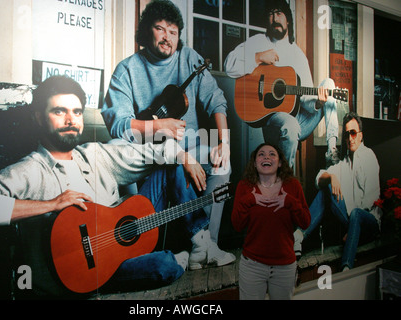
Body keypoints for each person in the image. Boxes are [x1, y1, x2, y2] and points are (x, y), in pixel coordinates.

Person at [0, 75, 218, 298]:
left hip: (123, 240)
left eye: (77, 111)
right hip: (91, 270)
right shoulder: (31, 169)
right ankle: (179, 259)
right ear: (39, 117)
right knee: (165, 265)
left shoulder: (93, 154)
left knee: (170, 163)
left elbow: (154, 152)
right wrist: (51, 204)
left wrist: (183, 156)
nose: (71, 119)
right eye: (59, 111)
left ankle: (199, 243)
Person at [101, 0, 235, 269]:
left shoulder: (189, 58)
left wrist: (224, 142)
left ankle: (208, 244)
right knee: (159, 158)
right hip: (150, 149)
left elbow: (216, 100)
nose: (167, 37)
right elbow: (118, 124)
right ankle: (189, 245)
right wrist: (158, 127)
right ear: (146, 32)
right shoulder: (127, 69)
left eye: (173, 32)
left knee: (223, 162)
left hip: (193, 144)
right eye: (160, 29)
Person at [224, 0, 339, 168]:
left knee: (328, 83)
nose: (275, 18)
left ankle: (332, 151)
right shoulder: (257, 42)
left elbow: (306, 99)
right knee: (290, 125)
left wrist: (317, 102)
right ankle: (284, 181)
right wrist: (258, 57)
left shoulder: (297, 54)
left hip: (300, 120)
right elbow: (229, 65)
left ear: (288, 20)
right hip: (274, 119)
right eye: (270, 14)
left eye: (279, 13)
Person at [294, 112, 381, 271]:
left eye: (353, 133)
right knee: (326, 187)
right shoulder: (345, 162)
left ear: (360, 136)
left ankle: (346, 266)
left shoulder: (369, 157)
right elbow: (318, 179)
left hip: (369, 222)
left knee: (356, 213)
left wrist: (354, 231)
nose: (350, 138)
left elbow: (371, 200)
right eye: (347, 134)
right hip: (351, 222)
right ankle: (298, 236)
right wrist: (331, 176)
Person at [231, 143, 310, 300]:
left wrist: (289, 201)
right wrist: (250, 199)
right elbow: (237, 225)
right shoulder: (245, 187)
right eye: (261, 154)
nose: (266, 156)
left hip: (285, 267)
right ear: (254, 163)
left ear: (280, 162)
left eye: (272, 154)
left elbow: (305, 222)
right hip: (252, 266)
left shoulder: (292, 186)